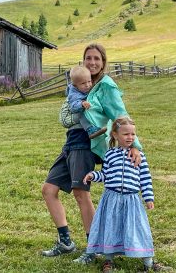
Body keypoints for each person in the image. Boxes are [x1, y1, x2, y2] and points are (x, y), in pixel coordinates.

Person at [41, 43, 142, 258]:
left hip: (87, 144)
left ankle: (94, 247)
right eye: (89, 58)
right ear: (83, 60)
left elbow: (120, 115)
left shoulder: (106, 86)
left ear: (103, 62)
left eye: (97, 58)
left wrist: (134, 146)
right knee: (49, 190)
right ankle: (66, 241)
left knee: (81, 193)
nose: (93, 62)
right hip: (71, 142)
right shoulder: (79, 84)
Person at [80, 116, 168, 272]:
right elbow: (105, 175)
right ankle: (108, 260)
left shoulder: (139, 156)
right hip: (111, 199)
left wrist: (148, 198)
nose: (130, 137)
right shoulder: (109, 154)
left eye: (133, 134)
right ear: (115, 135)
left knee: (138, 229)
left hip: (132, 200)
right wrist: (93, 175)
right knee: (111, 228)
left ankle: (148, 262)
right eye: (126, 134)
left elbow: (145, 179)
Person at [67, 66, 107, 139]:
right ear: (75, 85)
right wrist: (81, 104)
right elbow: (73, 107)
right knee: (81, 114)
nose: (87, 85)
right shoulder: (74, 94)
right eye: (83, 83)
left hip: (91, 110)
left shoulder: (86, 88)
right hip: (81, 113)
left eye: (89, 81)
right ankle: (90, 130)